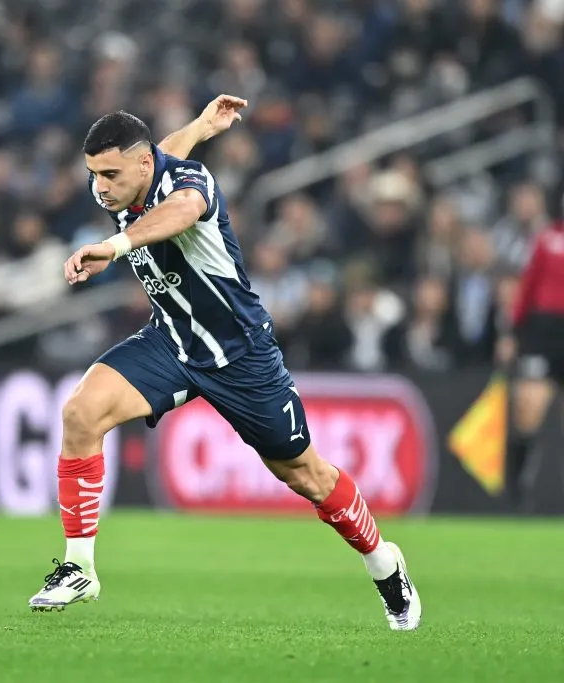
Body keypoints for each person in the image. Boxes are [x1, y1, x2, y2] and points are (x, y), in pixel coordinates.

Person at [28, 96, 421, 631]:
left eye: (110, 174)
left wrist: (115, 245)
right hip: (171, 342)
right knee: (81, 413)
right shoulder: (136, 174)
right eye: (94, 174)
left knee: (305, 474)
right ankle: (79, 567)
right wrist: (201, 125)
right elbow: (161, 151)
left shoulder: (193, 184)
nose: (100, 187)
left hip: (239, 354)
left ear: (141, 165)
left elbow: (182, 209)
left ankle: (383, 561)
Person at [502, 218, 564, 509]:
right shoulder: (547, 238)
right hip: (543, 330)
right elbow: (528, 285)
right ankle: (515, 490)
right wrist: (514, 331)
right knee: (528, 408)